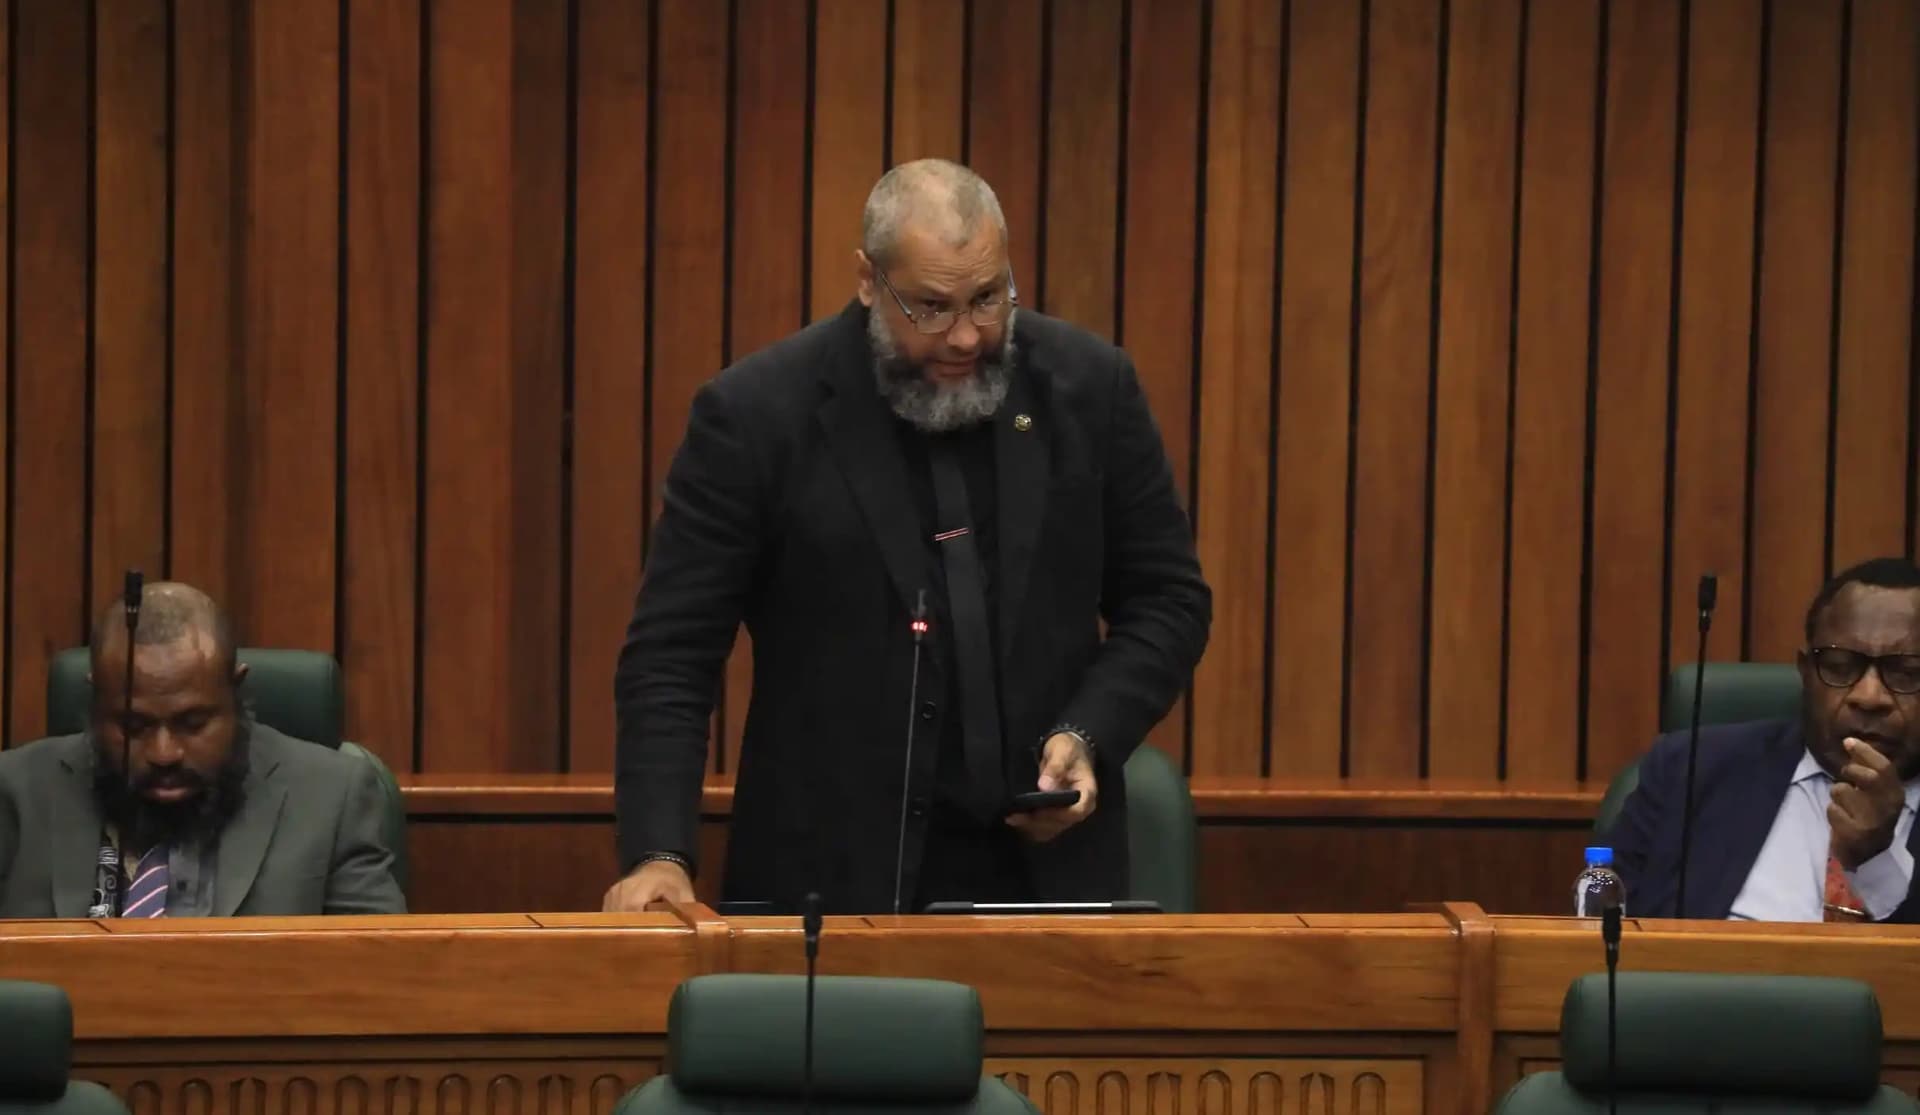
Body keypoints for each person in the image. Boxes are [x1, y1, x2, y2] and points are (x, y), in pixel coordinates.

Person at [607, 159, 1210, 914]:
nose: (966, 335)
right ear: (869, 280)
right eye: (930, 307)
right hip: (827, 889)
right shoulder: (757, 416)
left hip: (1049, 882)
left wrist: (1088, 731)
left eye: (988, 297)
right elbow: (672, 653)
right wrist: (659, 853)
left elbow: (1169, 599)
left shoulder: (1090, 389)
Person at [0, 582, 406, 917]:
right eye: (133, 726)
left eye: (192, 724)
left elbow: (379, 968)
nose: (164, 753)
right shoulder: (15, 791)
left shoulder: (331, 795)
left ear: (235, 691)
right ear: (96, 700)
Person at [1612, 556, 1920, 922]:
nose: (1869, 697)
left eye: (1907, 673)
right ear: (1805, 672)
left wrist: (1875, 862)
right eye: (1840, 668)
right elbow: (1604, 931)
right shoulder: (1688, 771)